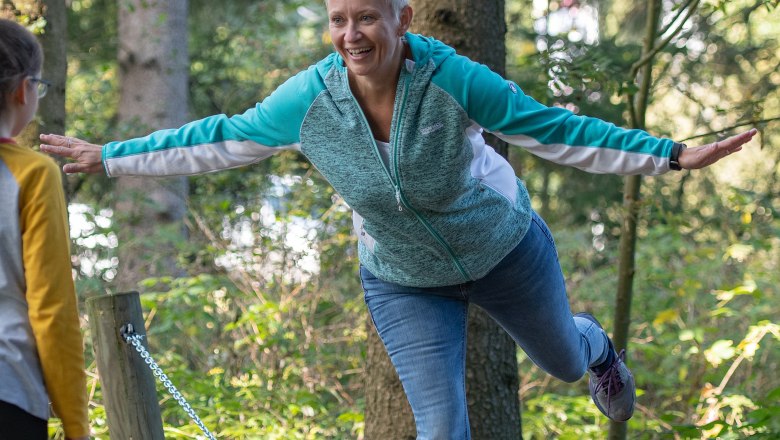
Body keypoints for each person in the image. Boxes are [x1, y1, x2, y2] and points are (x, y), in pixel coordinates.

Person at [41, 0, 757, 438]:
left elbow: (554, 128)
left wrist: (670, 153)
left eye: (367, 18)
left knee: (564, 363)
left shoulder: (453, 81)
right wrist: (112, 155)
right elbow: (219, 139)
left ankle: (596, 346)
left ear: (402, 20)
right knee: (440, 427)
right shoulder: (309, 102)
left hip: (505, 251)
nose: (351, 34)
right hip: (404, 280)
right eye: (338, 20)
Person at [0, 19, 90, 440]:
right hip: (9, 390)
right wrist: (77, 425)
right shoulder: (33, 173)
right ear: (23, 89)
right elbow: (52, 308)